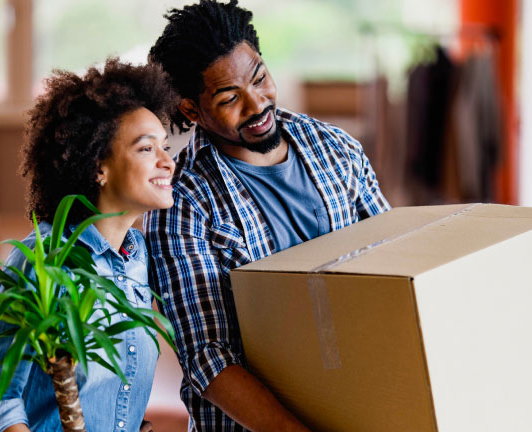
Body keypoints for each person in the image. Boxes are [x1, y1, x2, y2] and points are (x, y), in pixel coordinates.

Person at [145, 1, 391, 430]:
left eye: (259, 78)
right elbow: (209, 358)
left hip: (364, 404)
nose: (257, 104)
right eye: (229, 99)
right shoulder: (182, 203)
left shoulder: (337, 149)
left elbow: (395, 269)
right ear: (190, 110)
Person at [0, 58, 178, 432]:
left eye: (164, 146)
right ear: (97, 167)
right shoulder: (43, 263)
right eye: (145, 149)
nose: (167, 162)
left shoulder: (141, 260)